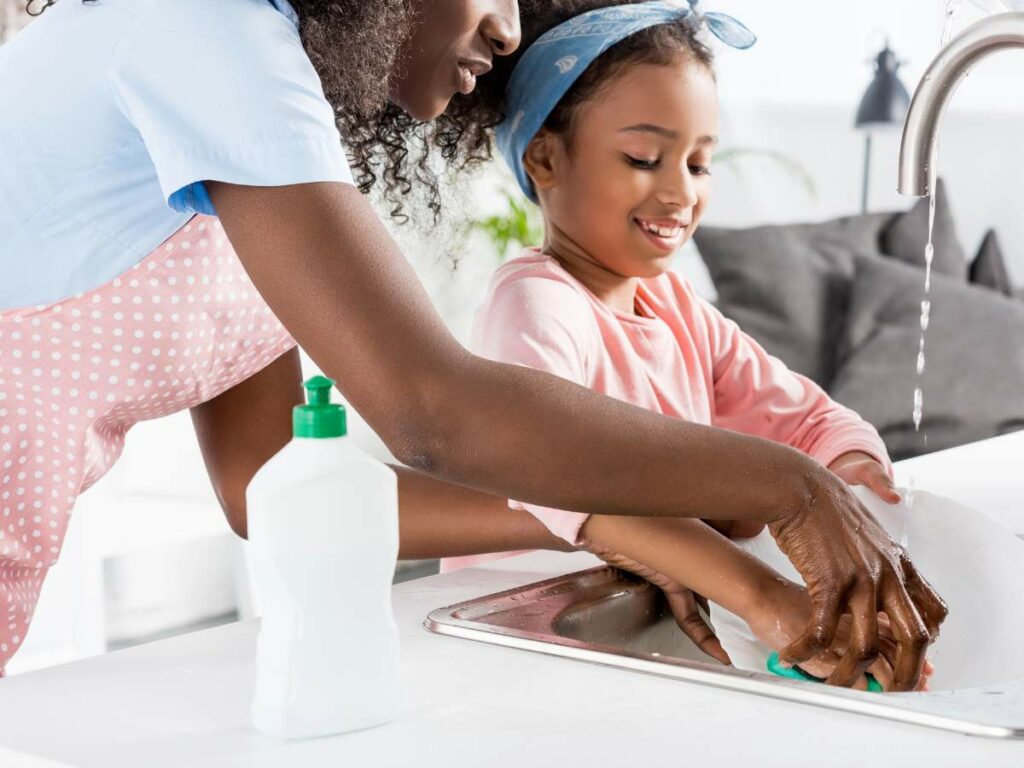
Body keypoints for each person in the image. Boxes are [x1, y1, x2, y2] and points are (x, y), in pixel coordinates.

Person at [0, 0, 945, 686]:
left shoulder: (259, 115)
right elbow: (431, 410)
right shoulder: (204, 32)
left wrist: (609, 521)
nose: (506, 27)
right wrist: (786, 489)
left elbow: (269, 483)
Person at [443, 0, 933, 690]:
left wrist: (854, 489)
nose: (679, 191)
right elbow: (557, 477)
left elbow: (810, 421)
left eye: (700, 165)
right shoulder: (535, 304)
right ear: (545, 159)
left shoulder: (675, 309)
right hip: (517, 648)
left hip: (633, 631)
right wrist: (766, 596)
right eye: (645, 158)